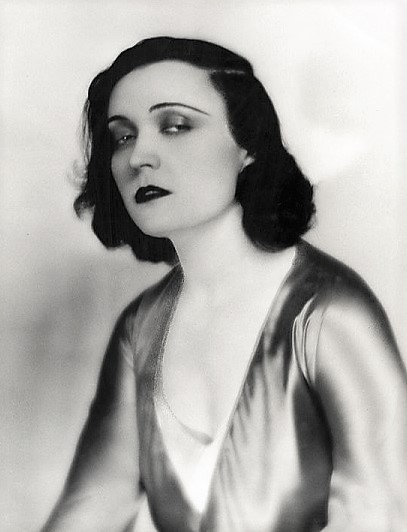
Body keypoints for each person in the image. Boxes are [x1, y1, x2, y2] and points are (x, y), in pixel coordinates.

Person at [41, 37, 407, 532]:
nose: (139, 156)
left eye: (175, 126)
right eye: (122, 136)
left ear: (247, 146)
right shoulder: (139, 328)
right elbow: (92, 505)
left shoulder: (328, 313)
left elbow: (384, 512)